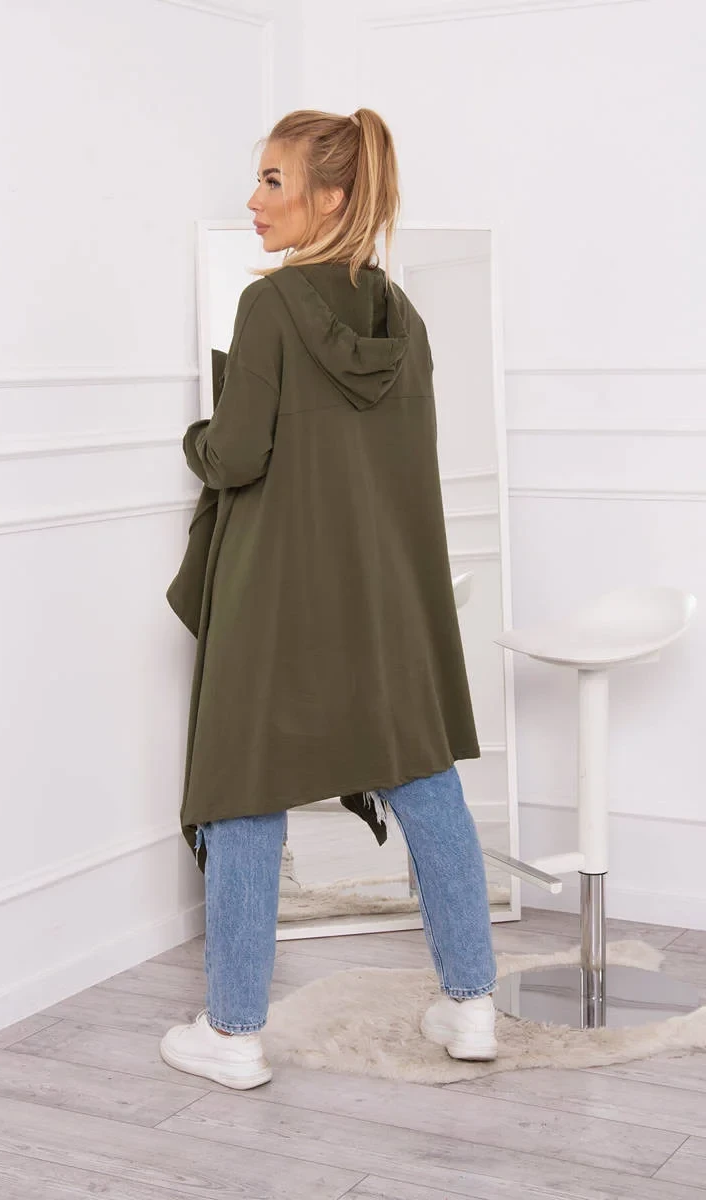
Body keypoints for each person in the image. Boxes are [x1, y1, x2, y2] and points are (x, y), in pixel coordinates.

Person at [160, 108, 498, 1091]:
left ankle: (232, 1034)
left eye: (273, 181)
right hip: (384, 594)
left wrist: (194, 437)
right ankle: (471, 1005)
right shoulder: (404, 317)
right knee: (422, 778)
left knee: (243, 791)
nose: (254, 200)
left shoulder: (268, 308)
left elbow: (236, 454)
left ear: (332, 197)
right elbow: (403, 472)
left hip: (277, 593)